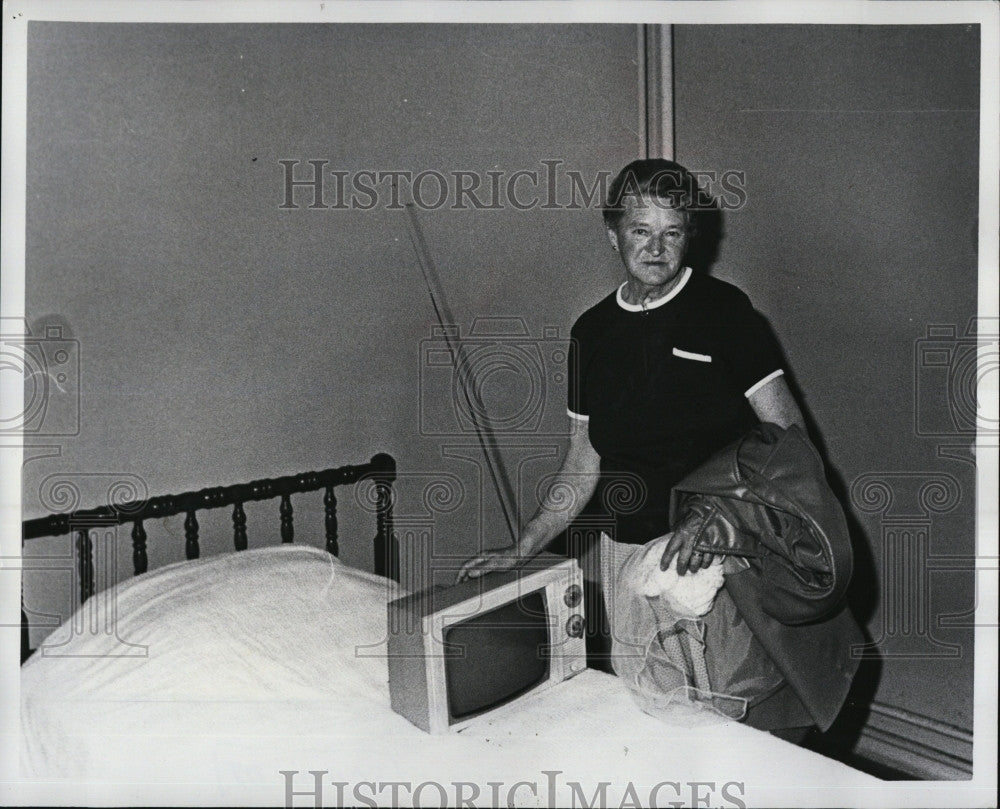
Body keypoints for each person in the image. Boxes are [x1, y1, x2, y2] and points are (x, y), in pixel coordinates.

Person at [457, 158, 806, 582]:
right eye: (641, 230)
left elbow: (788, 438)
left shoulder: (725, 311)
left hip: (717, 549)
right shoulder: (592, 331)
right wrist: (522, 548)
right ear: (613, 235)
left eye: (671, 233)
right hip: (626, 555)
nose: (656, 248)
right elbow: (582, 462)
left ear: (687, 238)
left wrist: (721, 517)